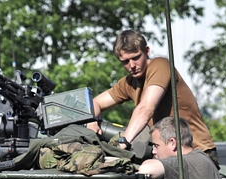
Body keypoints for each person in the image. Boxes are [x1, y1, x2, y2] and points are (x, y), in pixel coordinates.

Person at [88, 29, 218, 166]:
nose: (132, 65)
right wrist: (91, 121)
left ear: (147, 51)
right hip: (166, 157)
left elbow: (146, 109)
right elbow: (95, 103)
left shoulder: (160, 65)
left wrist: (123, 143)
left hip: (195, 153)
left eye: (136, 57)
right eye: (125, 61)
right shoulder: (128, 83)